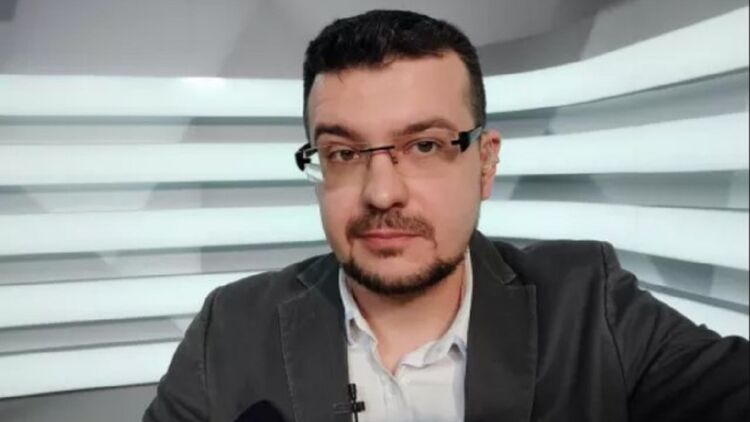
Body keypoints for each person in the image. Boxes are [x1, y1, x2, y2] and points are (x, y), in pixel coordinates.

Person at [144, 9, 749, 422]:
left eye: (425, 146)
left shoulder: (591, 307)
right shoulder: (231, 328)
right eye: (344, 153)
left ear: (485, 163)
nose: (382, 193)